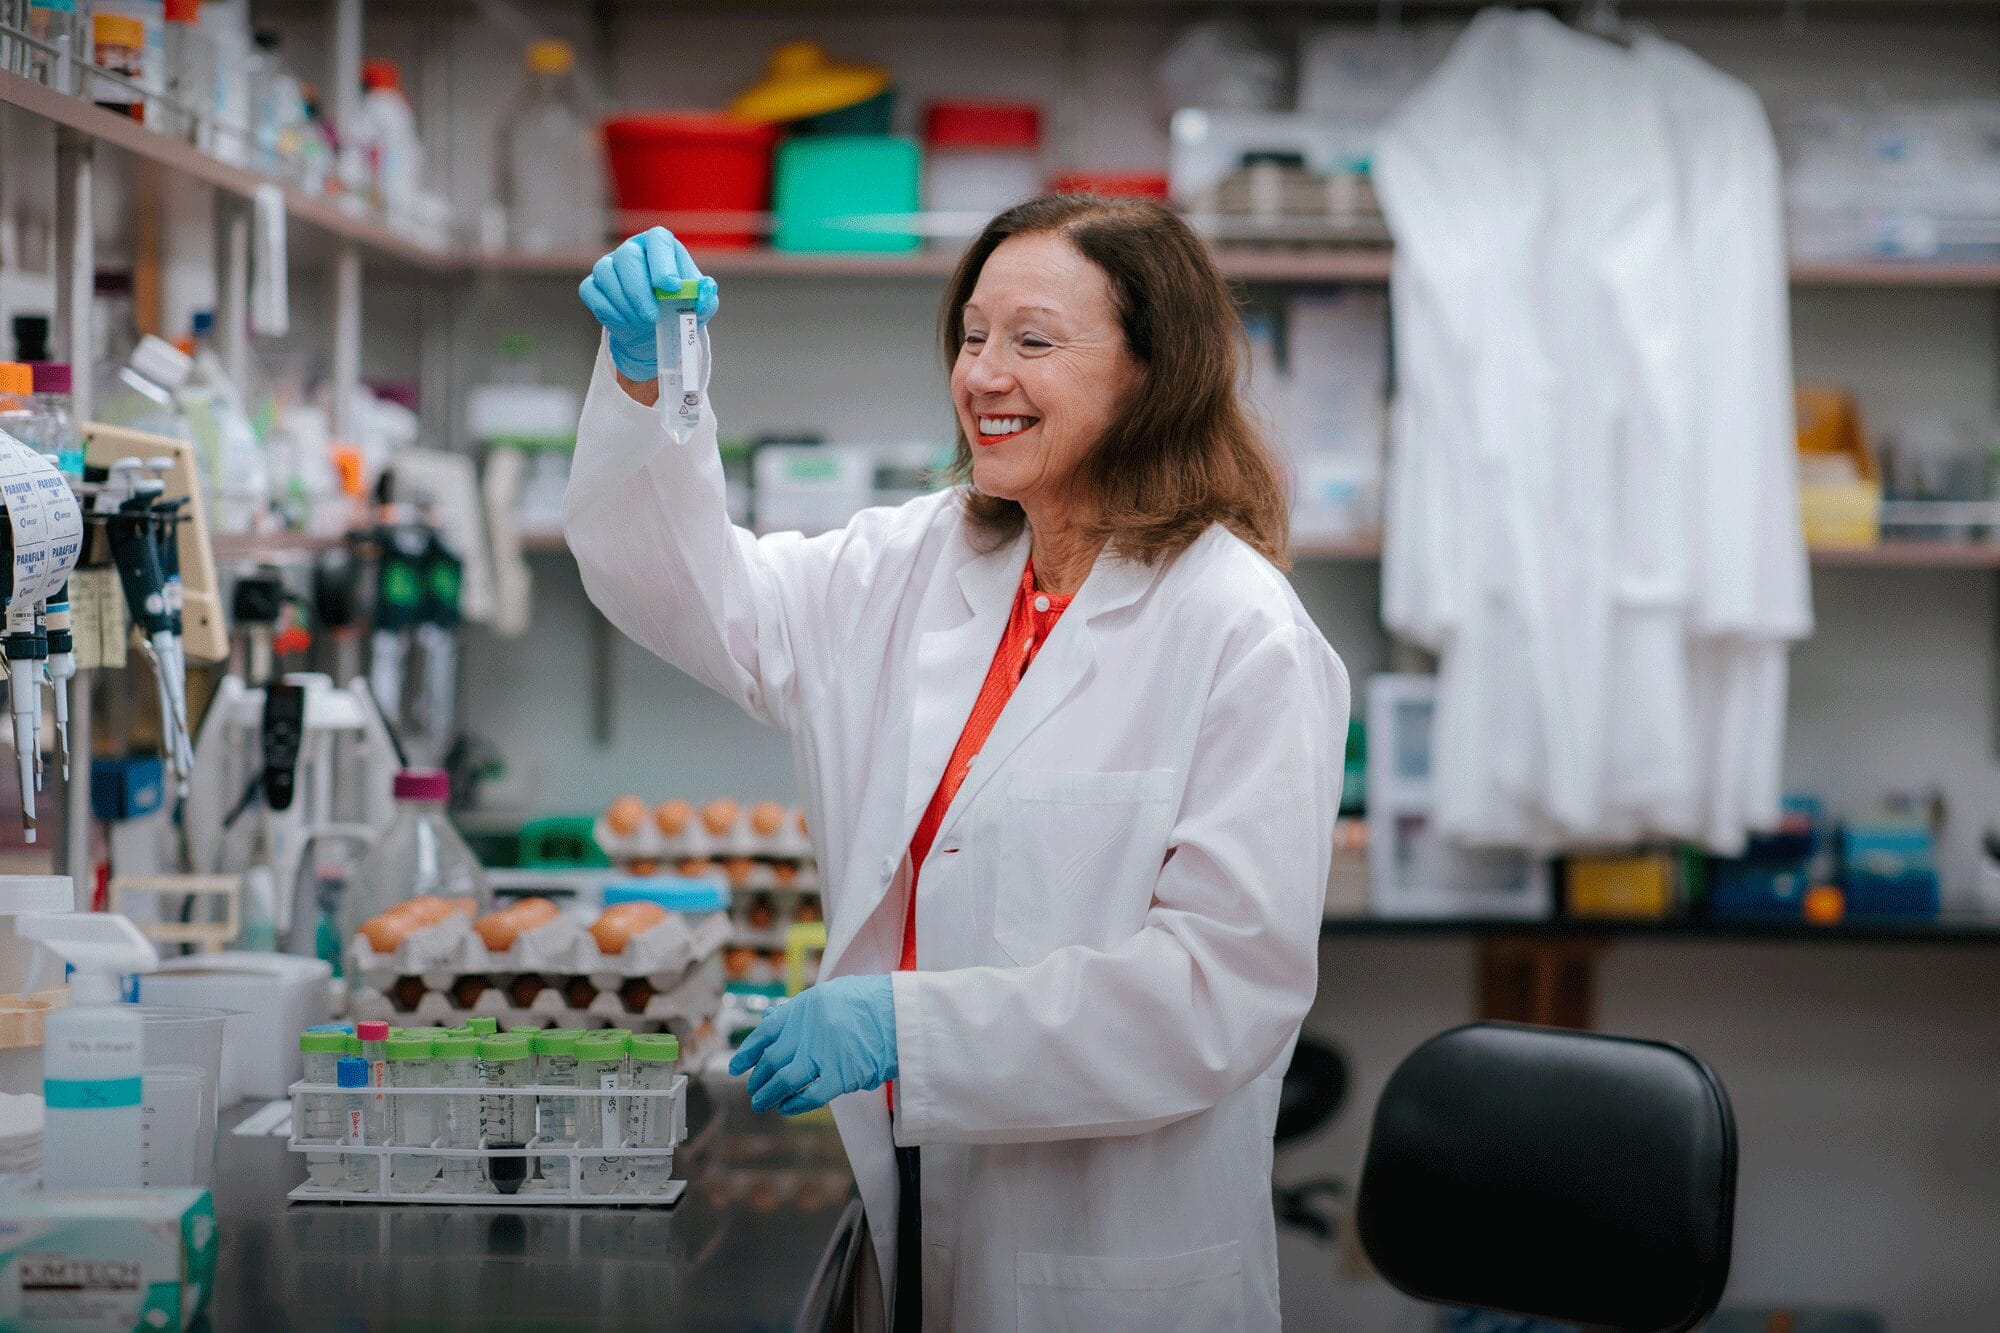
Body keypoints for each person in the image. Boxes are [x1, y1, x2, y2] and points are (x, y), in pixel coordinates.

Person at [569, 194, 1350, 1332]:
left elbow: (1216, 993)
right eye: (973, 336)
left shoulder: (1240, 632)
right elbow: (703, 601)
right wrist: (650, 388)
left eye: (1032, 341)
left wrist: (906, 1027)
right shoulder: (921, 560)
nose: (984, 373)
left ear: (1151, 374)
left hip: (1105, 1249)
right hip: (912, 1186)